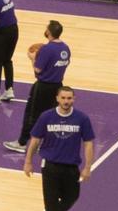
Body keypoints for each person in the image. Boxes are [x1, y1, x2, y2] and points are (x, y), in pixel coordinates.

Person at [21, 87, 95, 211]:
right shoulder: (46, 117)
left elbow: (88, 143)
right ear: (57, 98)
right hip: (50, 166)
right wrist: (28, 161)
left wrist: (88, 166)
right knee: (51, 201)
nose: (66, 101)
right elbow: (35, 140)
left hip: (71, 166)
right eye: (63, 98)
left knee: (72, 197)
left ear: (74, 99)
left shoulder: (81, 118)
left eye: (69, 98)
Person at [4, 19, 70, 152]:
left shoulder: (47, 49)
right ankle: (44, 142)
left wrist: (32, 57)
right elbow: (65, 64)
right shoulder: (65, 48)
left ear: (49, 32)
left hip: (43, 87)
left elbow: (38, 70)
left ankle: (22, 143)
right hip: (58, 86)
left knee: (31, 115)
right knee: (51, 115)